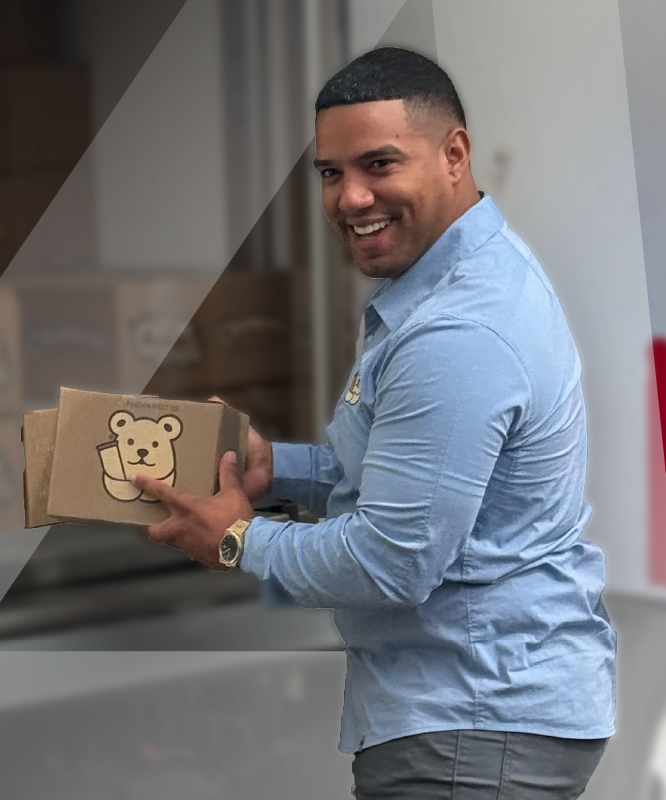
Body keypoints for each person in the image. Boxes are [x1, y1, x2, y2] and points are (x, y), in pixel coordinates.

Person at [132, 47, 616, 799]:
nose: (351, 197)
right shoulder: (438, 289)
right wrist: (277, 470)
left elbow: (393, 561)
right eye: (331, 173)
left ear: (454, 154)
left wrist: (237, 538)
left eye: (379, 165)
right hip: (476, 716)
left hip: (473, 726)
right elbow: (394, 481)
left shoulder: (457, 332)